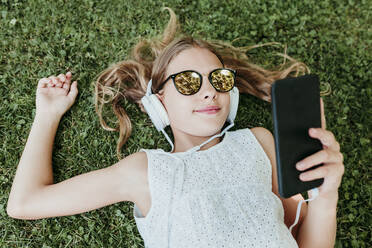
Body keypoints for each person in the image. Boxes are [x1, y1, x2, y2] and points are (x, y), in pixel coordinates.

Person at [7, 7, 344, 248]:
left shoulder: (258, 142)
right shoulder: (146, 171)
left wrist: (326, 197)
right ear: (158, 101)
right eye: (187, 82)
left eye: (219, 79)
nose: (210, 90)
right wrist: (47, 114)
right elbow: (24, 203)